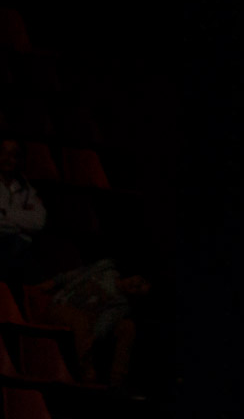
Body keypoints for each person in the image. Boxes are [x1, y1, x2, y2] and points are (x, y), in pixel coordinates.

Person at [37, 258, 150, 386]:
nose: (135, 285)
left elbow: (107, 318)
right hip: (63, 306)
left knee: (127, 327)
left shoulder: (121, 303)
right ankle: (87, 372)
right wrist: (53, 282)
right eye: (140, 282)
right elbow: (77, 274)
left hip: (88, 318)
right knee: (80, 319)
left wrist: (96, 334)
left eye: (139, 289)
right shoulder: (107, 270)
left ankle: (116, 381)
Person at [0, 138, 47, 276]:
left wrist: (6, 213)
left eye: (13, 154)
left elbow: (39, 222)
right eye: (4, 153)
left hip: (18, 251)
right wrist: (22, 226)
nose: (8, 159)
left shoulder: (26, 188)